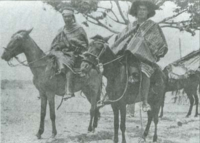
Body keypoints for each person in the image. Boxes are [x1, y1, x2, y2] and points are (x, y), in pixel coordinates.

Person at [104, 0, 168, 111]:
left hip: (145, 58)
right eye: (139, 9)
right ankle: (108, 94)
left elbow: (157, 42)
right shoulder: (131, 26)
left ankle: (144, 101)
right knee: (113, 68)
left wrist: (139, 44)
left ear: (148, 12)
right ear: (135, 11)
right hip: (127, 56)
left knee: (144, 71)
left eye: (144, 10)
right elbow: (121, 38)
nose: (141, 12)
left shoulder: (152, 26)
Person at [50, 9, 88, 99]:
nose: (66, 18)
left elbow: (84, 44)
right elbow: (55, 43)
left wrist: (77, 48)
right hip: (60, 52)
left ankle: (69, 91)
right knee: (49, 61)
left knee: (67, 64)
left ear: (72, 17)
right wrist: (57, 47)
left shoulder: (79, 29)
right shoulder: (61, 30)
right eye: (65, 16)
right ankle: (45, 86)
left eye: (68, 16)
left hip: (74, 53)